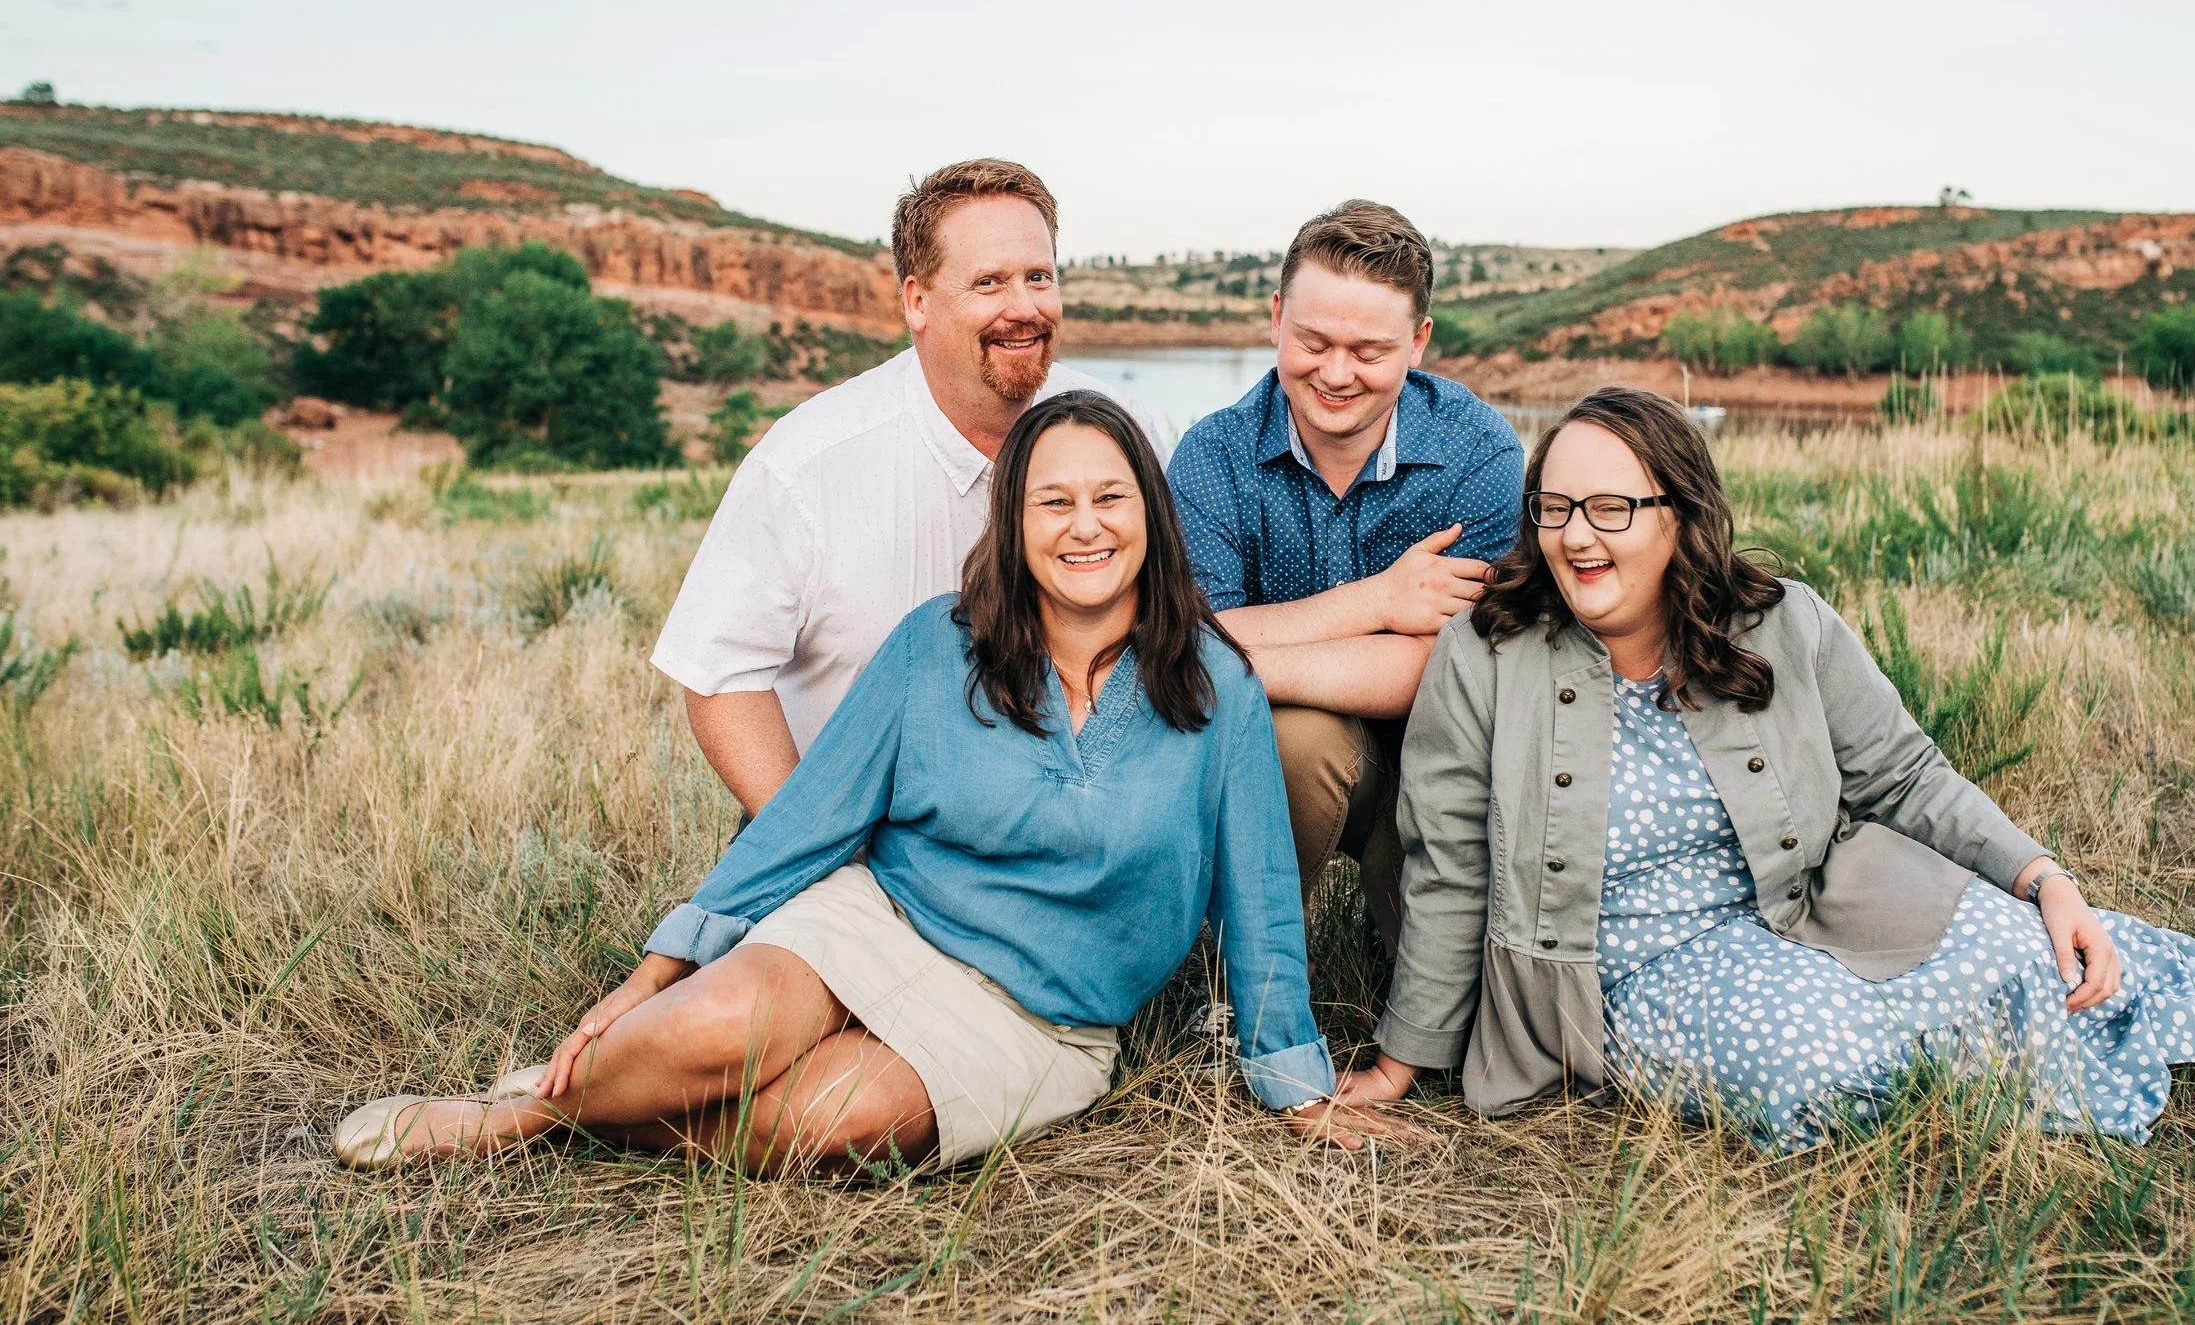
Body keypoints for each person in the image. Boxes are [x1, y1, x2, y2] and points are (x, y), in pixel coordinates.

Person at [334, 392, 1424, 1171]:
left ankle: (581, 1114)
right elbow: (806, 825)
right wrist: (649, 976)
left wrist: (1298, 1084)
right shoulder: (933, 647)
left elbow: (1264, 899)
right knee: (711, 1029)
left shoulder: (1215, 685)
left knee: (825, 1120)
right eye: (1052, 503)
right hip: (881, 918)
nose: (1084, 525)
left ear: (1149, 512)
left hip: (1039, 1015)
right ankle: (519, 1120)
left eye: (1109, 497)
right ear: (1015, 523)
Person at [1340, 386, 2195, 1149]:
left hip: (1816, 899)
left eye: (1611, 508)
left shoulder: (1780, 622)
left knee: (2022, 949)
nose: (1576, 536)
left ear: (1680, 514)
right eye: (1555, 508)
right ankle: (2013, 1077)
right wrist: (1403, 1056)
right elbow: (1448, 865)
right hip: (1634, 968)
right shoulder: (1489, 649)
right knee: (1822, 1058)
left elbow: (1903, 775)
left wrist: (2043, 877)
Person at [653, 157, 1115, 817]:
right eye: (988, 282)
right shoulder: (807, 462)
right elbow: (719, 673)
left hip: (1062, 841)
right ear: (916, 300)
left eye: (1038, 277)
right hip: (863, 836)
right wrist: (813, 840)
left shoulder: (1119, 436)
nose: (1024, 307)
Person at [1167, 201, 1524, 955]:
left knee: (1447, 1026)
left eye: (1368, 350)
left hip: (1454, 760)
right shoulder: (1212, 456)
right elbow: (1186, 642)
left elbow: (1456, 663)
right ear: (1275, 317)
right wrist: (1381, 600)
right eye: (1313, 341)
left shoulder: (1480, 452)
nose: (1334, 374)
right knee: (1301, 739)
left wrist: (1241, 659)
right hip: (1287, 757)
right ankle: (1238, 973)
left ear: (1419, 341)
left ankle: (1396, 937)